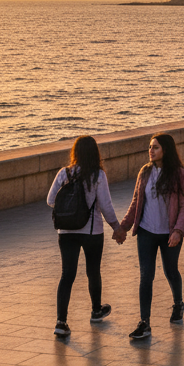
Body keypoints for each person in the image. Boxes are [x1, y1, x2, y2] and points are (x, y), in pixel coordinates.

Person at [115, 134, 184, 341]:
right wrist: (123, 227)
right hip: (146, 232)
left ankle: (178, 303)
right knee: (146, 276)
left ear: (165, 150)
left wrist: (178, 230)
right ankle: (145, 322)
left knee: (170, 270)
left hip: (170, 233)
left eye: (156, 148)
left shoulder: (180, 174)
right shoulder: (145, 172)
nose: (151, 151)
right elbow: (136, 203)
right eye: (150, 147)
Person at [47, 135, 120, 338]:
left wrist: (69, 207)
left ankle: (61, 322)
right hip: (91, 231)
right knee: (93, 271)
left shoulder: (64, 173)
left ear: (75, 152)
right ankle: (96, 310)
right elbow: (106, 206)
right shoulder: (98, 176)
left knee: (67, 275)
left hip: (66, 232)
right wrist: (116, 227)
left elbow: (50, 200)